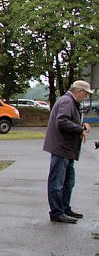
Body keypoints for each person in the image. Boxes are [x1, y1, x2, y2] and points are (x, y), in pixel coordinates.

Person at [43, 80, 93, 224]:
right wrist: (80, 129)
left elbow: (68, 120)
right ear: (79, 92)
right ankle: (57, 212)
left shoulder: (70, 102)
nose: (85, 97)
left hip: (67, 149)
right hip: (62, 148)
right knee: (57, 182)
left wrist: (81, 125)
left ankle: (64, 208)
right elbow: (62, 122)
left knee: (68, 182)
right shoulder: (67, 101)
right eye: (86, 94)